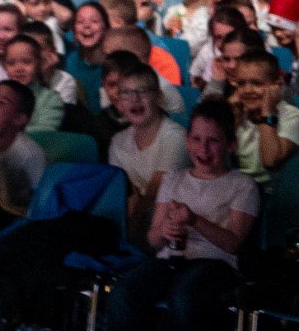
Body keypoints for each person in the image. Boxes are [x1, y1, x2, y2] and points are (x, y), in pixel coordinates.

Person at [105, 99, 257, 331]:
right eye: (196, 139)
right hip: (171, 261)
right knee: (123, 294)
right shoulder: (173, 179)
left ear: (231, 144)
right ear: (187, 141)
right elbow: (153, 240)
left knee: (184, 298)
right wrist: (165, 231)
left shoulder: (242, 185)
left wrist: (194, 220)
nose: (203, 149)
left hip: (216, 264)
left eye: (213, 141)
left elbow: (233, 243)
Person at [108, 63, 190, 239]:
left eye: (143, 91)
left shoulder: (175, 137)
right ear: (119, 103)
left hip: (173, 224)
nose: (135, 99)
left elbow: (156, 191)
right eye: (126, 93)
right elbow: (127, 194)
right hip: (138, 222)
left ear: (159, 98)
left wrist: (129, 238)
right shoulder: (118, 142)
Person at [0, 79, 45, 223]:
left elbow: (40, 200)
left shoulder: (30, 154)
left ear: (19, 118)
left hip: (16, 218)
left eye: (2, 102)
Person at [231, 52, 299, 185]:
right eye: (241, 84)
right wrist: (230, 112)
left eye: (257, 83)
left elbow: (270, 161)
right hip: (236, 187)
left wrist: (267, 112)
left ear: (277, 85)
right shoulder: (238, 113)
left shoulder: (293, 117)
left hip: (271, 191)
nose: (248, 90)